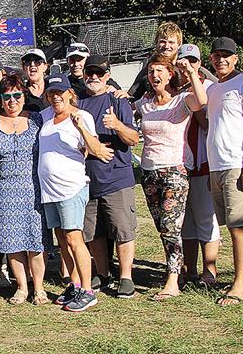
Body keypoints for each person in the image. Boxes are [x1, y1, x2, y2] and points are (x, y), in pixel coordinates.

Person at [134, 55, 207, 301]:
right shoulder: (145, 104)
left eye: (160, 71)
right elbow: (129, 110)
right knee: (161, 227)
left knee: (170, 227)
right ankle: (181, 269)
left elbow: (201, 100)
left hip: (174, 170)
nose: (155, 75)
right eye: (151, 71)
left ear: (169, 75)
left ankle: (172, 281)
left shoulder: (180, 101)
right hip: (149, 171)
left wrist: (192, 72)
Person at [0, 74, 48, 305]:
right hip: (5, 189)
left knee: (36, 241)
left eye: (17, 95)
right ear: (0, 99)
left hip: (33, 187)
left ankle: (40, 288)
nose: (12, 101)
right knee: (12, 242)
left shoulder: (37, 118)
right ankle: (22, 288)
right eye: (7, 97)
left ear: (24, 96)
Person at [38, 74, 112, 312]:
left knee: (74, 237)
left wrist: (80, 126)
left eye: (60, 92)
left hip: (71, 186)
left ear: (70, 93)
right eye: (51, 93)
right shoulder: (44, 116)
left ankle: (88, 291)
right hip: (49, 190)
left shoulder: (83, 117)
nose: (56, 97)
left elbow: (95, 149)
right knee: (62, 240)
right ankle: (74, 283)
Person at [206, 36, 243, 306]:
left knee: (240, 227)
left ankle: (239, 286)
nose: (221, 60)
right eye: (216, 55)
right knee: (228, 225)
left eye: (226, 55)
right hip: (215, 167)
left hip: (236, 166)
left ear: (236, 58)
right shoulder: (214, 89)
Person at [76, 55, 140, 299]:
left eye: (99, 73)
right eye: (89, 73)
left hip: (117, 178)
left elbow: (133, 139)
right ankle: (103, 273)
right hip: (87, 178)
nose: (93, 77)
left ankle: (126, 277)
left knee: (123, 230)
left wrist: (117, 125)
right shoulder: (78, 101)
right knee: (93, 231)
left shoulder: (118, 100)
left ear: (107, 76)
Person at [175, 45, 221, 287]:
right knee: (186, 222)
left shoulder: (208, 87)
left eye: (192, 61)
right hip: (180, 162)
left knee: (206, 218)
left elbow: (208, 122)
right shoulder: (173, 88)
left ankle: (209, 271)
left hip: (203, 161)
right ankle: (189, 269)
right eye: (183, 61)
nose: (187, 66)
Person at [127, 22, 216, 101]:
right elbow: (133, 93)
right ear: (156, 43)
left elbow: (218, 84)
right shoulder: (151, 66)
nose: (166, 46)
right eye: (162, 42)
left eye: (171, 42)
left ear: (179, 45)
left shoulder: (187, 65)